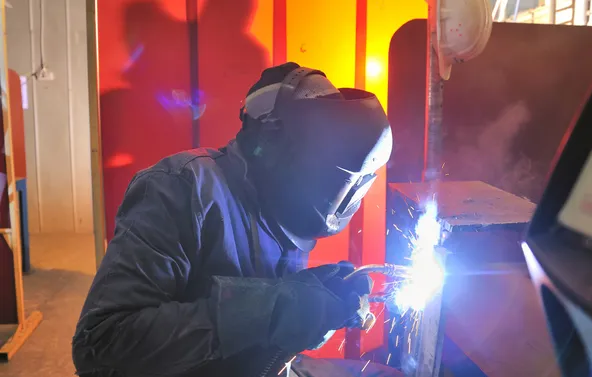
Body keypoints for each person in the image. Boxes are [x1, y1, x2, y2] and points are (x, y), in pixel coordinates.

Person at [72, 62, 399, 377]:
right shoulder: (181, 187)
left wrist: (311, 302)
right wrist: (272, 311)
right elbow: (100, 343)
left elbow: (262, 327)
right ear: (271, 139)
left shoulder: (288, 207)